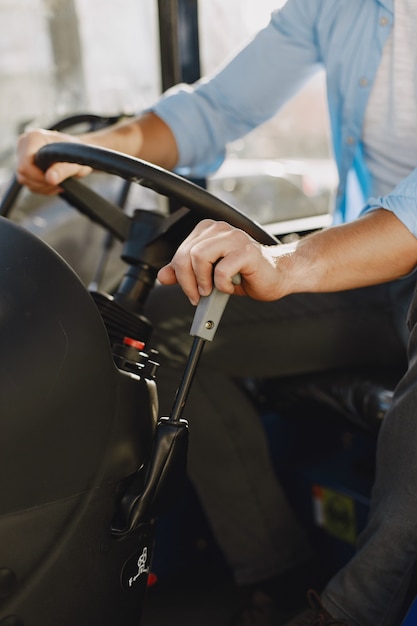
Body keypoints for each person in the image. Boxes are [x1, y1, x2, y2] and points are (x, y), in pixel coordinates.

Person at [14, 0, 417, 623]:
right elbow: (217, 107)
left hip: (397, 252)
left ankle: (350, 613)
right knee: (171, 326)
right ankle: (275, 572)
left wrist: (287, 264)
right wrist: (84, 147)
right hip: (364, 269)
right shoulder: (335, 6)